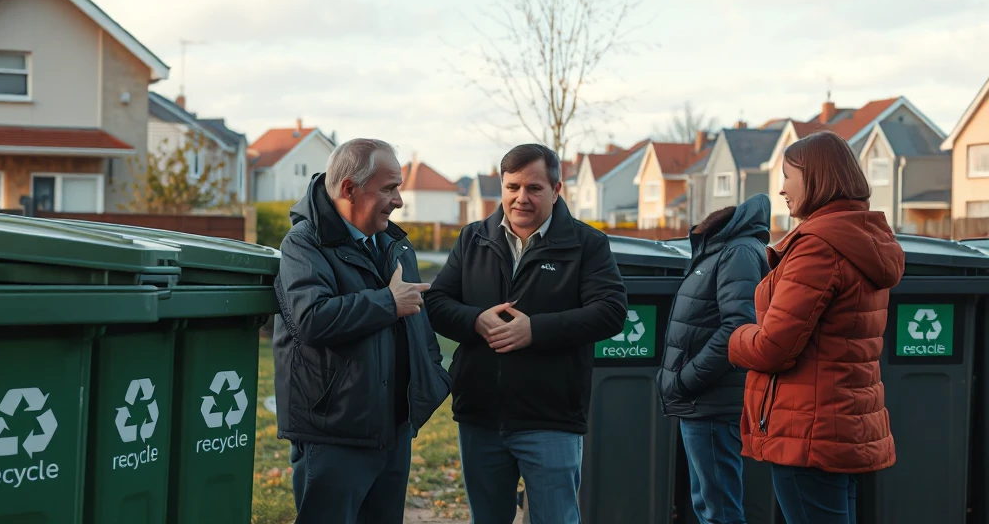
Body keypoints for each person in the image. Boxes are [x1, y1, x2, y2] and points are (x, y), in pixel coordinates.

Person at [426, 144, 628, 524]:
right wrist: (476, 321)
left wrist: (535, 330)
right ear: (501, 187)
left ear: (557, 189)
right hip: (480, 416)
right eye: (512, 186)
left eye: (534, 188)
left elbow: (611, 312)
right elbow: (437, 302)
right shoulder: (473, 239)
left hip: (550, 418)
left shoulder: (587, 245)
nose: (521, 198)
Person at [272, 138, 452, 524]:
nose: (399, 200)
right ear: (349, 188)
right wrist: (388, 303)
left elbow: (419, 326)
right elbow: (311, 319)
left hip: (393, 429)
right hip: (335, 433)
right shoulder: (303, 245)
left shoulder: (394, 246)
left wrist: (433, 379)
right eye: (389, 188)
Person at [728, 131, 905, 524]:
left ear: (816, 178)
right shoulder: (861, 237)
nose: (781, 188)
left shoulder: (818, 246)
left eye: (788, 176)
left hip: (809, 429)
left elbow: (773, 347)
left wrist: (735, 337)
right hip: (842, 422)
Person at [657, 193, 771, 524]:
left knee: (718, 508)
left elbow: (738, 326)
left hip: (710, 401)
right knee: (709, 504)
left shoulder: (736, 251)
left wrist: (685, 381)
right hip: (702, 401)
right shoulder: (722, 248)